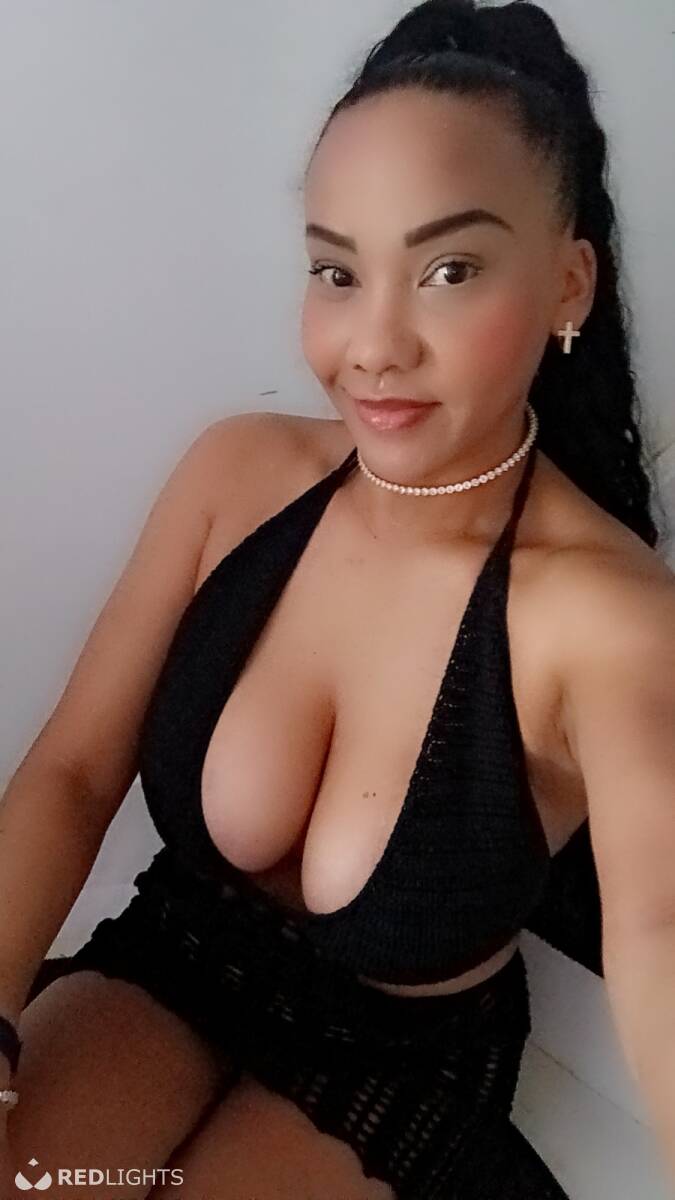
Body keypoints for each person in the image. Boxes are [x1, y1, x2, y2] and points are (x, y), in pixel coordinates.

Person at [2, 1, 674, 1197]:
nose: (373, 344)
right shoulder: (237, 475)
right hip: (179, 960)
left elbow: (661, 932)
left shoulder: (604, 614)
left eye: (450, 270)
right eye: (336, 270)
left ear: (569, 284)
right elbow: (73, 772)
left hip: (393, 1061)